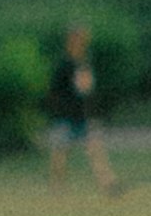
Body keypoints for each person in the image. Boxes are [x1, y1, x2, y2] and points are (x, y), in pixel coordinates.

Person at [46, 16, 119, 193]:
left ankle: (108, 183)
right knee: (60, 151)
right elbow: (55, 90)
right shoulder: (63, 64)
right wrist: (58, 109)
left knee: (95, 148)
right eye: (77, 38)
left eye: (83, 38)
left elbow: (87, 89)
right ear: (70, 40)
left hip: (83, 115)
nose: (81, 42)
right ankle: (57, 187)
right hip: (65, 115)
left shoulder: (84, 62)